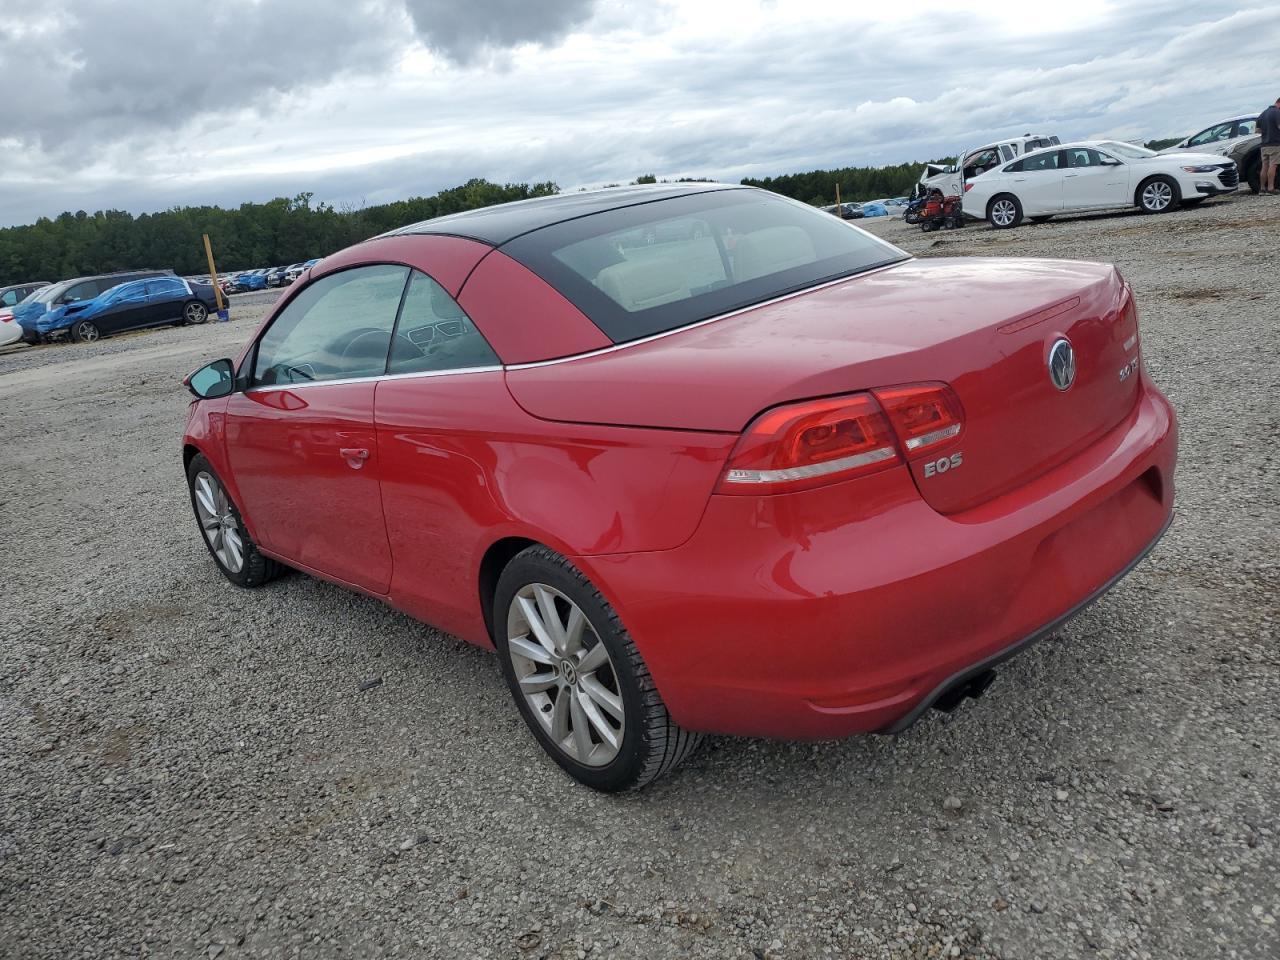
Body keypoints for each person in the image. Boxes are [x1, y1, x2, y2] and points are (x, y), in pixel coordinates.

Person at [1259, 96, 1280, 194]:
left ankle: (1262, 189)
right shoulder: (1277, 112)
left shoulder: (1263, 113)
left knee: (1264, 166)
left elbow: (1257, 130)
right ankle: (1271, 188)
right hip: (1275, 144)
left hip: (1264, 145)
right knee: (1273, 165)